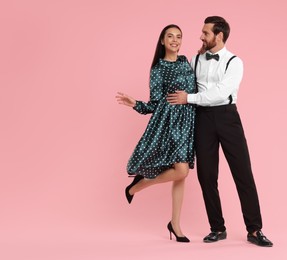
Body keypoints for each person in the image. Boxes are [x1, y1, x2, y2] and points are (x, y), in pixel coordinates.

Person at [167, 16, 273, 247]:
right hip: (202, 119)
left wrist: (190, 98)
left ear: (219, 36)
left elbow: (220, 93)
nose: (201, 36)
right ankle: (217, 228)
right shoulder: (195, 59)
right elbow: (178, 77)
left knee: (242, 173)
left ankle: (254, 230)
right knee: (206, 176)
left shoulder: (235, 62)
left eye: (205, 33)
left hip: (227, 117)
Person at [115, 24, 196, 243]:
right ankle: (139, 185)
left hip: (187, 123)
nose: (175, 40)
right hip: (168, 125)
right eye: (170, 36)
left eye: (179, 37)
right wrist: (135, 104)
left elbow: (194, 92)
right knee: (181, 171)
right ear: (162, 41)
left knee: (181, 174)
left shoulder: (186, 61)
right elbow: (154, 104)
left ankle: (175, 224)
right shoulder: (158, 68)